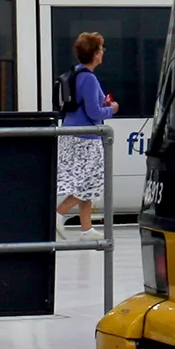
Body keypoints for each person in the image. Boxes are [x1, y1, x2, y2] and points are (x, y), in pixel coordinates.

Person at [55, 31, 119, 232]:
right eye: (101, 49)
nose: (103, 53)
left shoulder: (77, 72)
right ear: (96, 54)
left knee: (88, 180)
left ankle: (86, 229)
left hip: (71, 133)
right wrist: (112, 108)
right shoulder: (89, 79)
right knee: (92, 180)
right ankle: (59, 214)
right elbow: (94, 112)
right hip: (86, 137)